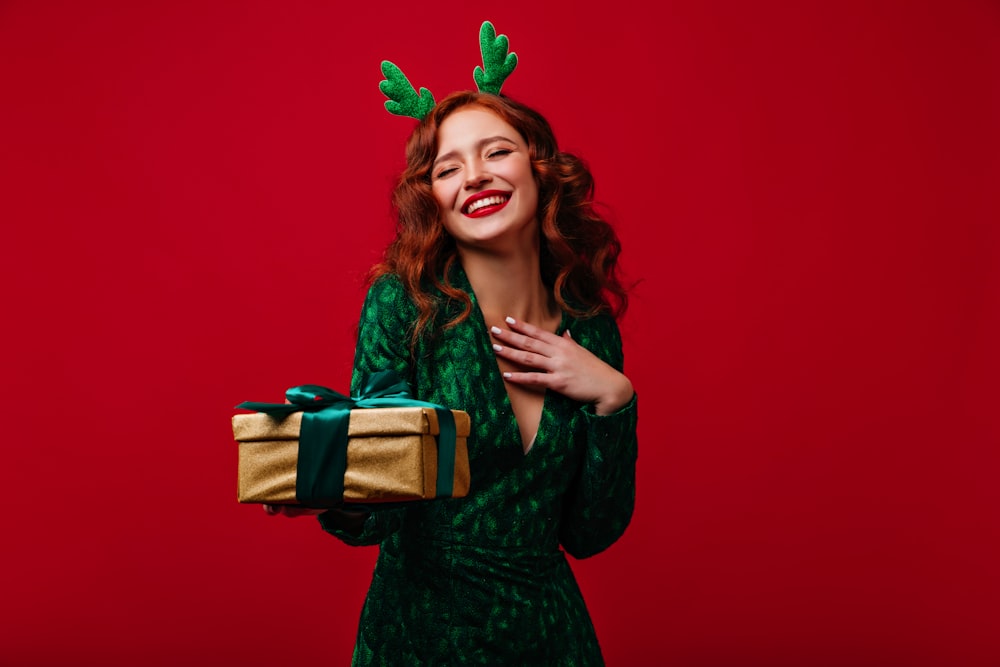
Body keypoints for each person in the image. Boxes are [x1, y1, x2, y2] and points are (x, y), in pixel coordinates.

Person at [267, 87, 637, 665]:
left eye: (496, 153)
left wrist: (614, 398)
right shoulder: (403, 304)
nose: (474, 177)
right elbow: (384, 503)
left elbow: (591, 534)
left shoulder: (589, 327)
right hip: (419, 634)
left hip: (550, 636)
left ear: (540, 170)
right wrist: (337, 495)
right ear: (432, 196)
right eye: (448, 167)